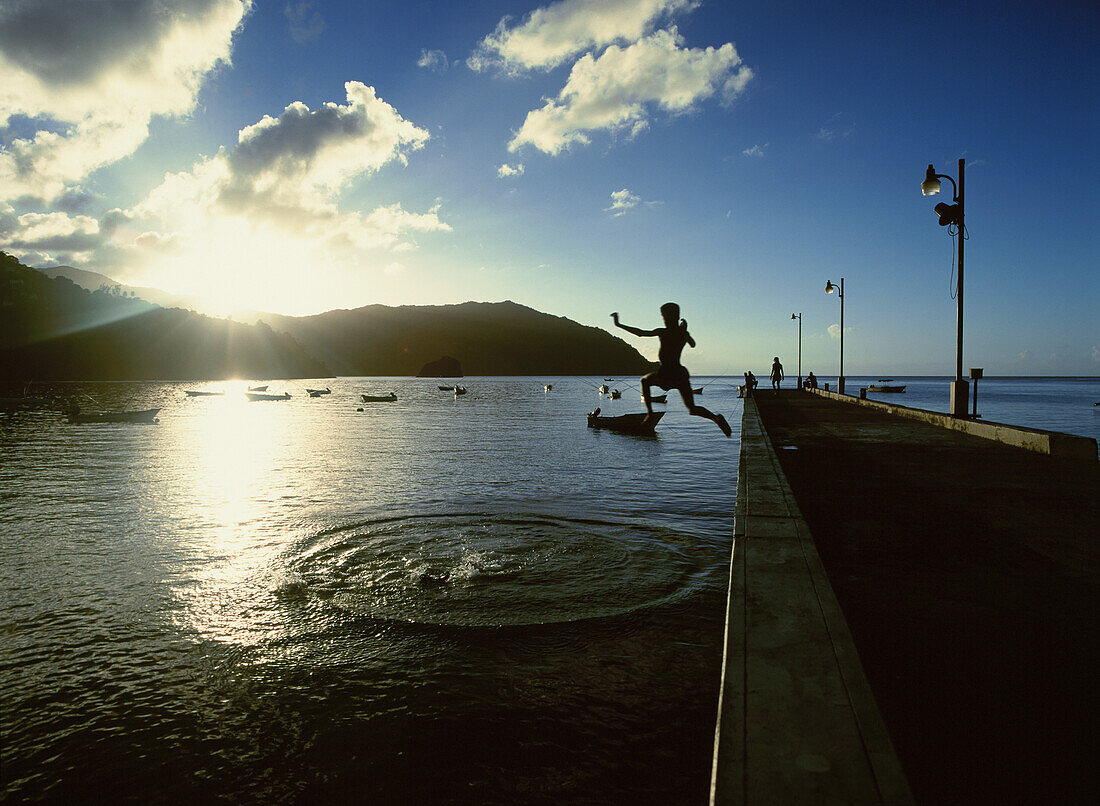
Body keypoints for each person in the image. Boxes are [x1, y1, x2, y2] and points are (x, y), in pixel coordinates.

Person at [611, 304, 731, 437]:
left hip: (666, 373)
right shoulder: (682, 333)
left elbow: (640, 333)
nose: (664, 320)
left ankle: (650, 414)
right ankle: (716, 418)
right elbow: (692, 344)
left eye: (664, 317)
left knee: (645, 381)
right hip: (680, 374)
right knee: (692, 409)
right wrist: (685, 331)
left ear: (670, 317)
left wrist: (618, 324)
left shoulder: (663, 332)